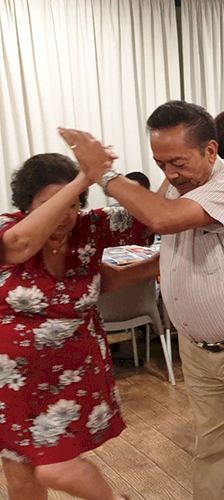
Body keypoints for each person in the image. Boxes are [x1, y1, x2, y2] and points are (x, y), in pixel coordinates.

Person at [58, 100, 224, 499]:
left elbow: (162, 219)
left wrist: (102, 174)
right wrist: (121, 277)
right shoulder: (181, 187)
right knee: (211, 451)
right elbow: (177, 253)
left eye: (178, 162)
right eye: (161, 164)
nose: (170, 174)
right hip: (200, 351)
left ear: (210, 150)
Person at [0, 153, 150, 500]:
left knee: (54, 467)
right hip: (12, 382)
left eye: (72, 203)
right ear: (26, 205)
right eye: (50, 204)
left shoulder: (90, 227)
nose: (63, 214)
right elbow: (18, 247)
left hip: (73, 372)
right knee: (21, 475)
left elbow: (154, 217)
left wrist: (168, 172)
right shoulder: (8, 229)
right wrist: (85, 176)